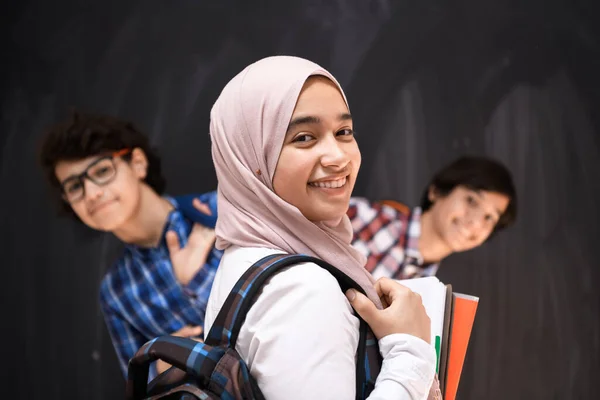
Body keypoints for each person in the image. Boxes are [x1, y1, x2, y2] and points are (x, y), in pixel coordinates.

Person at [203, 55, 438, 399]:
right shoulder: (300, 291)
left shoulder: (245, 255)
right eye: (304, 138)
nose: (339, 157)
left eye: (343, 132)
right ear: (251, 160)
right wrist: (411, 352)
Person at [38, 111, 220, 378]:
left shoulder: (218, 212)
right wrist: (164, 363)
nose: (91, 194)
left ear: (137, 163)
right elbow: (138, 385)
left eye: (102, 171)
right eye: (75, 187)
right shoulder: (116, 292)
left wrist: (196, 280)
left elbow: (292, 287)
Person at [349, 156, 517, 279]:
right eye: (471, 201)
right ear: (436, 191)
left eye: (489, 217)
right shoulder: (359, 217)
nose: (475, 221)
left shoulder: (429, 295)